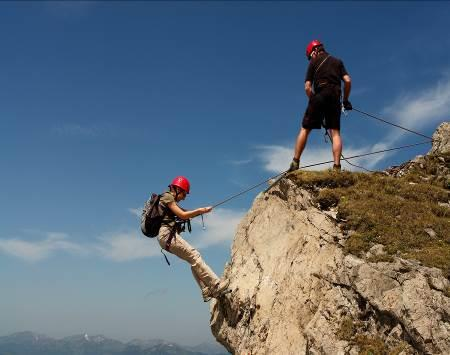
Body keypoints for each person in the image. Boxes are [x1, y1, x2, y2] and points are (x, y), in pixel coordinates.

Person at [157, 176, 229, 302]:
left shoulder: (168, 200)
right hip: (166, 235)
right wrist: (201, 210)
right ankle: (216, 285)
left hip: (164, 238)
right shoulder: (167, 197)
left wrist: (200, 212)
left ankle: (206, 290)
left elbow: (186, 213)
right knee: (195, 256)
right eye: (184, 194)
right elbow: (183, 215)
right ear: (177, 189)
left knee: (192, 260)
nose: (184, 198)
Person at [289, 40, 352, 172]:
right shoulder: (337, 61)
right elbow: (347, 80)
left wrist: (314, 101)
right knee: (335, 133)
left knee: (305, 129)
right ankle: (337, 168)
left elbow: (307, 87)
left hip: (319, 94)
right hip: (335, 96)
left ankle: (295, 162)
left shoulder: (313, 62)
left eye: (310, 55)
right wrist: (345, 101)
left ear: (314, 51)